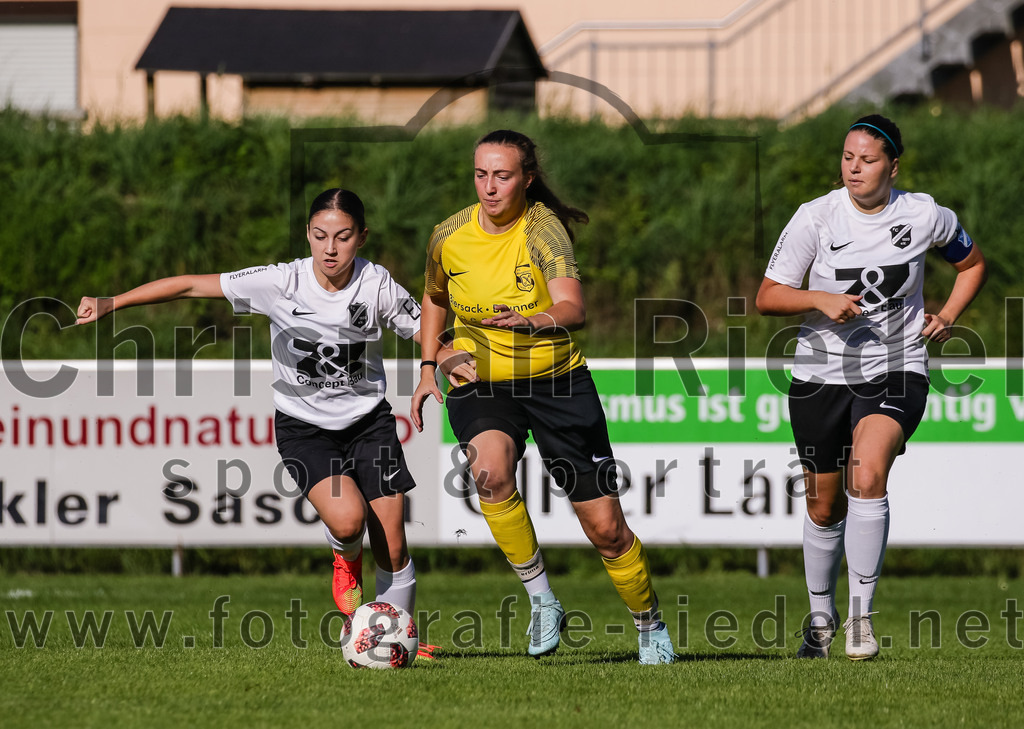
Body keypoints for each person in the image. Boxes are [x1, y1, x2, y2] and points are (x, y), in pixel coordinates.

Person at [77, 189, 441, 655]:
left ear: (362, 237)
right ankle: (344, 556)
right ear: (307, 235)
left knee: (391, 536)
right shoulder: (280, 282)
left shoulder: (377, 284)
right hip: (303, 428)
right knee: (350, 521)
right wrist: (113, 303)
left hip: (369, 423)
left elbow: (423, 329)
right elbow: (191, 284)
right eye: (319, 235)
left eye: (343, 237)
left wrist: (447, 359)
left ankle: (397, 637)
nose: (330, 248)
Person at [411, 129, 675, 664]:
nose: (489, 187)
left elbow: (573, 307)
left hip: (557, 382)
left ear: (526, 179)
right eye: (481, 174)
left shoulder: (543, 231)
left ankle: (649, 625)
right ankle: (542, 600)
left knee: (606, 530)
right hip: (481, 379)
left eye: (502, 176)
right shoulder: (449, 235)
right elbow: (434, 298)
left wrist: (532, 320)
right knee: (488, 470)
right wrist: (427, 363)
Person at [756, 115, 987, 660]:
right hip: (820, 375)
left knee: (869, 468)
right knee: (822, 505)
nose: (854, 168)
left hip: (897, 365)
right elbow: (768, 295)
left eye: (867, 159)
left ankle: (861, 620)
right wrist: (819, 300)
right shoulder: (817, 217)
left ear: (893, 166)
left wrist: (949, 314)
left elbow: (972, 264)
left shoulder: (924, 214)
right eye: (847, 157)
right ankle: (820, 616)